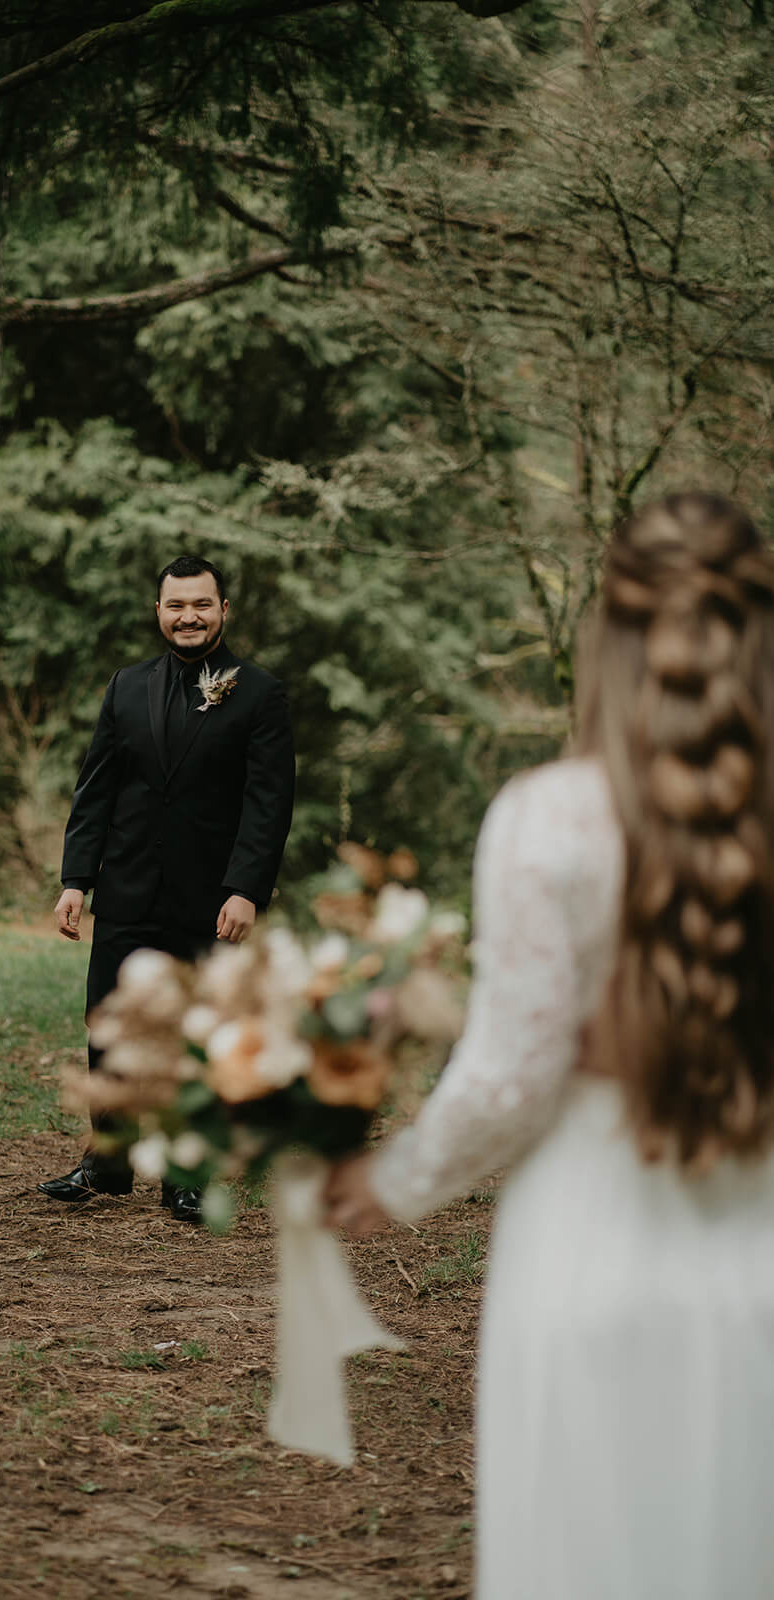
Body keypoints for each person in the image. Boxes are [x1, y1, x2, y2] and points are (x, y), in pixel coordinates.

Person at [325, 492, 774, 1598]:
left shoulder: (547, 819)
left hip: (587, 1256)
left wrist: (391, 1179)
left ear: (603, 635)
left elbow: (510, 1079)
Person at [40, 555, 295, 1222]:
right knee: (108, 1027)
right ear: (158, 610)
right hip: (125, 891)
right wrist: (76, 879)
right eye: (176, 604)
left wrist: (244, 889)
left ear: (222, 611)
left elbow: (267, 805)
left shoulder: (259, 694)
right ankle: (108, 1162)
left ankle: (187, 1174)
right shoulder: (125, 687)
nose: (188, 616)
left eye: (201, 605)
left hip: (209, 902)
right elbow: (95, 790)